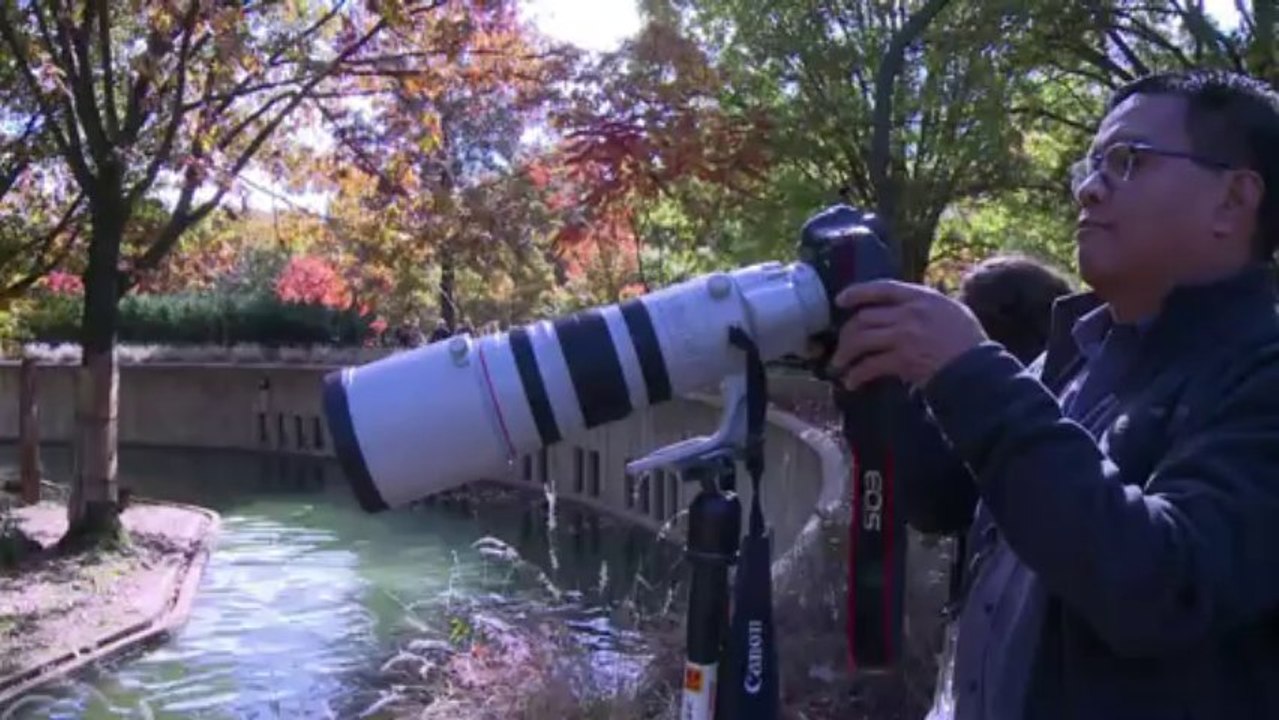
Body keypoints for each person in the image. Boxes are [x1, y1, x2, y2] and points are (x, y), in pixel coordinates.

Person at [831, 70, 1279, 718]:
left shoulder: (1260, 375)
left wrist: (972, 374)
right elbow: (944, 499)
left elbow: (1159, 585)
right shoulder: (1079, 351)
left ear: (1232, 201)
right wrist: (863, 366)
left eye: (1127, 161)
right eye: (1089, 165)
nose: (1089, 190)